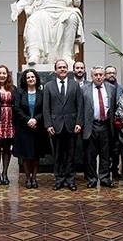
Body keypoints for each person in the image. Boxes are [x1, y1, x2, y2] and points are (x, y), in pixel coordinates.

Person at [43, 59, 84, 191]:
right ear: (55, 70)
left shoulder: (74, 85)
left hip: (72, 125)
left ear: (68, 69)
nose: (62, 69)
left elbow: (80, 105)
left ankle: (71, 180)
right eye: (59, 67)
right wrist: (48, 124)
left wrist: (79, 122)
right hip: (55, 126)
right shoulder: (48, 86)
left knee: (71, 155)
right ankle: (59, 179)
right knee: (58, 155)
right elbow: (46, 108)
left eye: (64, 67)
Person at [13, 69, 49, 188]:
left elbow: (45, 109)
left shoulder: (41, 93)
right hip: (24, 128)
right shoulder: (19, 92)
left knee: (36, 154)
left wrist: (35, 119)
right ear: (24, 80)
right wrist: (28, 119)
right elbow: (17, 109)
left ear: (36, 78)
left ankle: (34, 178)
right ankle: (27, 178)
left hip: (38, 128)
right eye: (28, 77)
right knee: (26, 154)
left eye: (32, 77)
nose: (30, 79)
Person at [82, 66, 117, 188]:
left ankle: (104, 178)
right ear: (91, 76)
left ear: (104, 76)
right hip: (90, 125)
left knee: (105, 154)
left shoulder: (111, 88)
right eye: (95, 74)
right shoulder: (84, 89)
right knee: (90, 155)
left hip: (106, 125)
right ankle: (92, 179)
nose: (98, 77)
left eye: (100, 74)